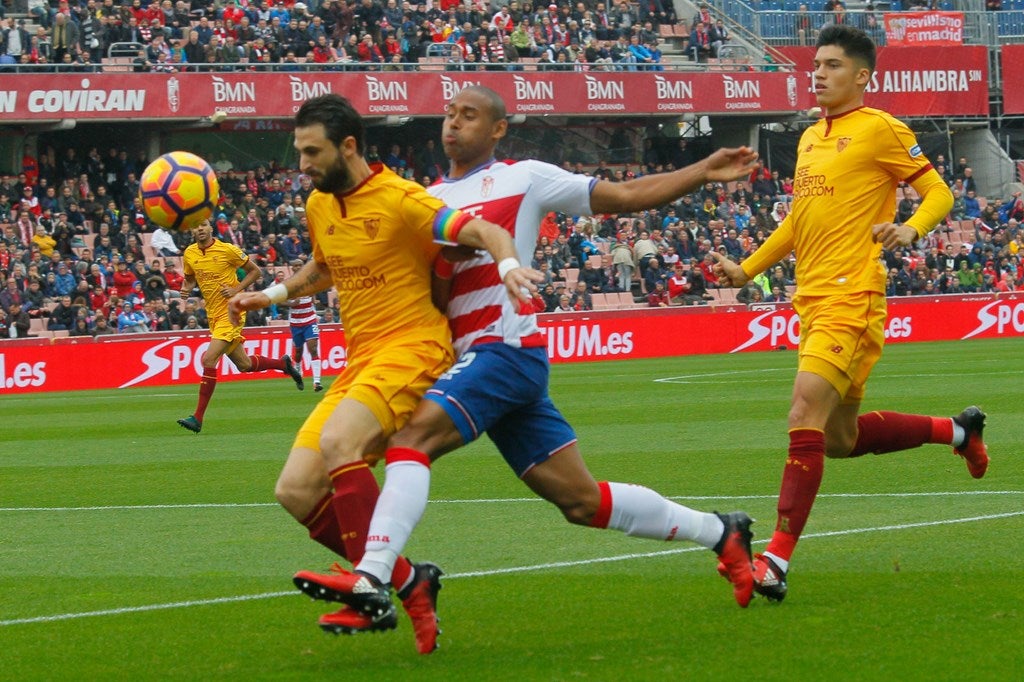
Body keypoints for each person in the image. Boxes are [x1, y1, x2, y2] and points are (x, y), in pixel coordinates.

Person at [288, 86, 762, 647]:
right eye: (448, 114)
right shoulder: (425, 197)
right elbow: (427, 289)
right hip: (468, 363)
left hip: (504, 351)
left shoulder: (525, 177)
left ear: (497, 130)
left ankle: (375, 575)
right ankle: (721, 531)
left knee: (411, 440)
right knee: (581, 502)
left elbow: (627, 194)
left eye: (469, 116)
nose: (453, 124)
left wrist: (703, 170)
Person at [228, 94, 539, 654]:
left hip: (412, 349)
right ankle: (408, 580)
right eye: (299, 152)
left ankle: (368, 589)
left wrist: (511, 266)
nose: (302, 165)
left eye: (312, 152)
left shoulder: (402, 199)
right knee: (295, 490)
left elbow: (486, 234)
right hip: (360, 360)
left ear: (348, 146)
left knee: (340, 442)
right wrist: (269, 295)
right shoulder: (321, 205)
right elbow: (326, 268)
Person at [711, 26, 989, 603]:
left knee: (803, 412)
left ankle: (777, 562)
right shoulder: (812, 137)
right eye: (815, 64)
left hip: (852, 295)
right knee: (837, 439)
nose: (818, 73)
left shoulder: (881, 128)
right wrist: (747, 268)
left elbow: (939, 192)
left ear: (861, 76)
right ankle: (958, 432)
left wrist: (911, 228)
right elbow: (797, 223)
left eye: (833, 65)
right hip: (812, 298)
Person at [176, 218, 304, 434]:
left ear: (210, 228)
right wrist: (185, 288)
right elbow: (189, 278)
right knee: (243, 365)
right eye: (195, 226)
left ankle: (197, 417)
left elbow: (256, 272)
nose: (199, 229)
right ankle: (283, 365)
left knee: (208, 359)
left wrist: (237, 290)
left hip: (232, 311)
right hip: (213, 315)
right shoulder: (189, 253)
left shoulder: (227, 250)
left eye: (203, 225)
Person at [287, 294, 323, 392]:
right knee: (298, 352)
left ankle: (317, 382)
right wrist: (292, 303)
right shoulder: (291, 285)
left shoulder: (309, 284)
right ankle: (298, 370)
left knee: (313, 349)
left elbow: (314, 294)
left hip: (310, 321)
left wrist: (314, 299)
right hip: (295, 323)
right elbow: (279, 302)